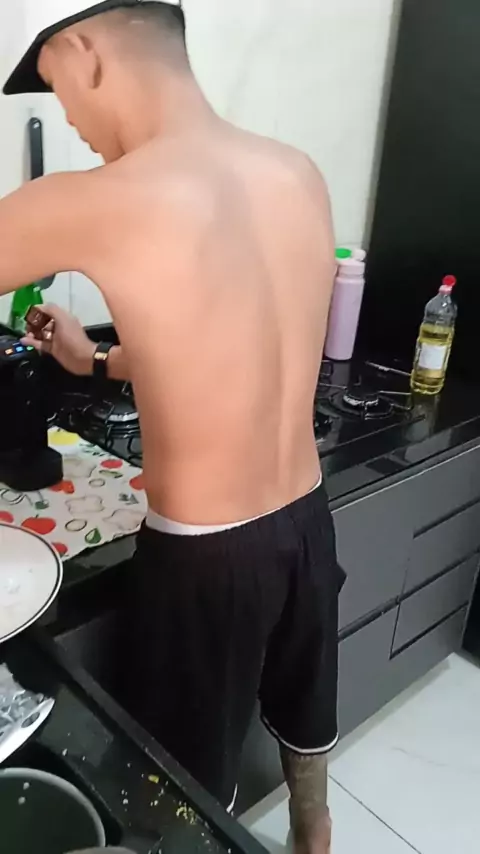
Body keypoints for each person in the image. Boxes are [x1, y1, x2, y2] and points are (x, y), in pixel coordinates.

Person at [1, 3, 343, 852]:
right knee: (304, 714)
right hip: (305, 521)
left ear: (84, 51)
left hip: (208, 560)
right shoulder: (294, 170)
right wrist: (92, 359)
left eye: (57, 91)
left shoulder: (99, 198)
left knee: (184, 793)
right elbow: (223, 343)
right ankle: (313, 835)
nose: (70, 123)